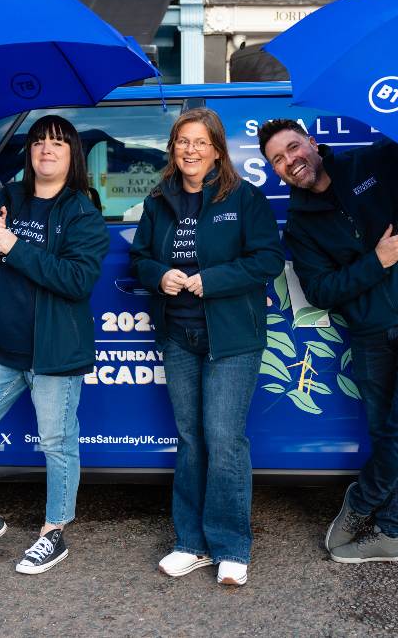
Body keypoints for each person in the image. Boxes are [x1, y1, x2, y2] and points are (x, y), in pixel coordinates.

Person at [259, 119, 398, 564]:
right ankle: (391, 532)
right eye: (278, 159)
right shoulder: (300, 225)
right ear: (275, 171)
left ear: (312, 143)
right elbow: (322, 291)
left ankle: (361, 504)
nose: (291, 161)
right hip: (370, 331)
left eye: (294, 147)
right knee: (383, 430)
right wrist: (376, 262)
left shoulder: (372, 162)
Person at [0, 115, 109, 575]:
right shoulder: (8, 199)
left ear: (72, 154)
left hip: (55, 353)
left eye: (57, 143)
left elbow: (76, 281)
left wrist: (14, 246)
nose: (46, 149)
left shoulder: (82, 212)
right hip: (3, 351)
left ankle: (53, 532)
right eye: (39, 142)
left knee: (57, 443)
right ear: (30, 153)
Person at [130, 108, 284, 586]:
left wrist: (209, 280)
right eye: (182, 141)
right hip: (179, 335)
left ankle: (231, 545)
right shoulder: (159, 201)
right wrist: (161, 275)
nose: (190, 150)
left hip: (231, 338)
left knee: (223, 439)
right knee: (192, 439)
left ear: (217, 149)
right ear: (173, 148)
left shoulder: (244, 198)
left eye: (199, 142)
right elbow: (140, 258)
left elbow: (268, 259)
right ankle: (190, 543)